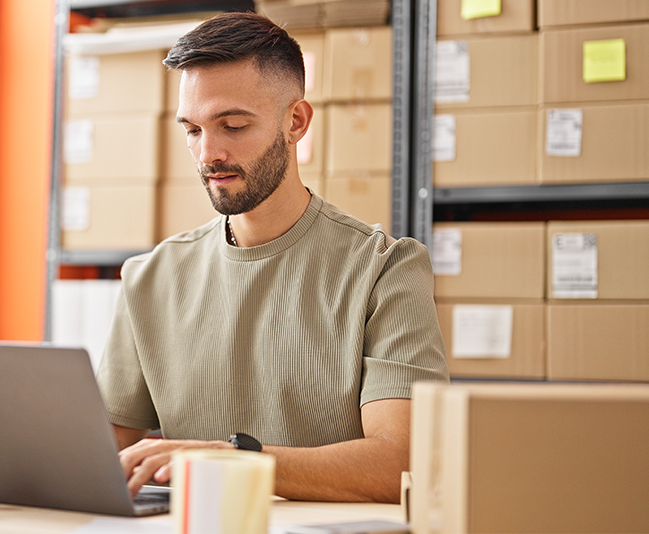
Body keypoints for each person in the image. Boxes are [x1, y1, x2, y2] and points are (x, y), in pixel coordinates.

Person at [95, 11, 449, 504]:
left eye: (233, 125)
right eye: (193, 130)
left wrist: (229, 462)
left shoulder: (386, 270)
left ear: (295, 122)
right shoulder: (149, 278)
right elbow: (94, 457)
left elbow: (403, 465)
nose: (208, 153)